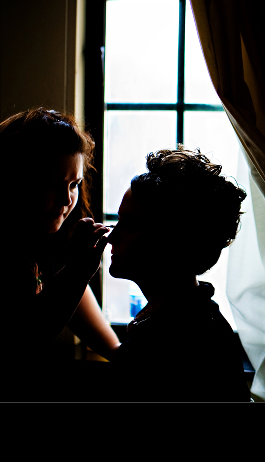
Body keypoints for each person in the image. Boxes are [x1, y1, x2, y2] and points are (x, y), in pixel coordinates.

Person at [0, 107, 121, 401]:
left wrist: (123, 356)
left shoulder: (45, 232)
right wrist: (78, 272)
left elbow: (69, 291)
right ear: (13, 178)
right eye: (52, 184)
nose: (67, 199)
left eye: (75, 184)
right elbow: (17, 344)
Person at [107, 146, 251, 402]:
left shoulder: (176, 345)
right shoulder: (185, 320)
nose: (112, 236)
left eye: (128, 225)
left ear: (169, 241)